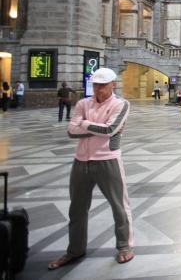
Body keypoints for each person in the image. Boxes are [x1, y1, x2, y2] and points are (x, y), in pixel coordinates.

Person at [48, 68, 135, 270]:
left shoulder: (121, 104)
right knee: (77, 210)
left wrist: (85, 123)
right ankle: (75, 250)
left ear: (113, 84)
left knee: (119, 206)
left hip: (108, 160)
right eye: (95, 85)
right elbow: (71, 131)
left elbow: (110, 130)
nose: (99, 89)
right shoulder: (82, 103)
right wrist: (99, 128)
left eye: (103, 85)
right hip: (80, 161)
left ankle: (125, 246)